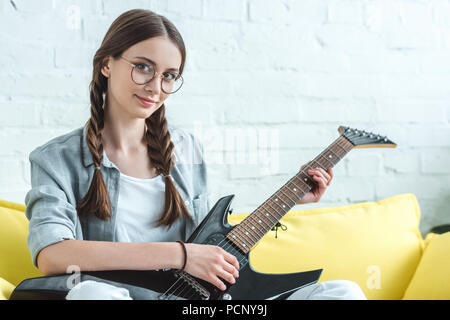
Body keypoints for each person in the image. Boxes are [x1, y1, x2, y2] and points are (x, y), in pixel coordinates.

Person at [25, 9, 366, 300]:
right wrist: (181, 255)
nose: (156, 87)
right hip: (120, 295)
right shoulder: (56, 159)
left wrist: (292, 198)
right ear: (106, 65)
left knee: (343, 291)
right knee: (91, 294)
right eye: (143, 67)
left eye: (169, 76)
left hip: (196, 301)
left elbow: (210, 246)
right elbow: (53, 255)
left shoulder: (186, 150)